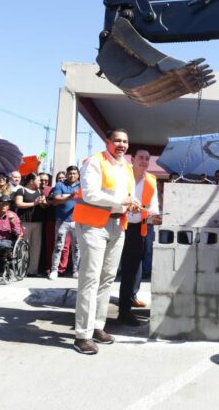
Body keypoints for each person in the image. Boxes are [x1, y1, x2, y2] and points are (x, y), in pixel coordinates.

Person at [72, 127, 140, 355]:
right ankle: (82, 335)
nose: (122, 145)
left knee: (107, 278)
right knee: (90, 278)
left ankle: (97, 326)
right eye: (117, 141)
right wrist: (122, 201)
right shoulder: (94, 161)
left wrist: (132, 203)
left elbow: (128, 195)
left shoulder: (127, 167)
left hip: (118, 225)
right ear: (107, 142)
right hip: (93, 225)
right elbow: (90, 194)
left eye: (125, 142)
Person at [118, 149, 160, 326]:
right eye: (141, 158)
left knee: (136, 266)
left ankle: (129, 302)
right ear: (132, 159)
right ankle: (124, 310)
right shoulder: (122, 175)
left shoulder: (151, 180)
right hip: (121, 224)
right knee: (126, 268)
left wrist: (155, 216)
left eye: (147, 159)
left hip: (141, 228)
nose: (144, 161)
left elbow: (153, 205)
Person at [48, 166, 81, 279]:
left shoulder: (81, 185)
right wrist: (70, 197)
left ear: (78, 175)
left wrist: (67, 197)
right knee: (58, 246)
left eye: (74, 173)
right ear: (66, 174)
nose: (72, 175)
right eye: (70, 173)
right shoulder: (60, 185)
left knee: (77, 247)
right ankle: (54, 270)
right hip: (62, 221)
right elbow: (56, 199)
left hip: (77, 221)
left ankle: (76, 270)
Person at [15, 173, 46, 275]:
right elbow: (18, 204)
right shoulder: (21, 190)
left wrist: (42, 203)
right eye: (38, 180)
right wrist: (34, 203)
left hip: (37, 222)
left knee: (36, 247)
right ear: (31, 181)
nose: (40, 182)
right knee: (24, 246)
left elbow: (43, 206)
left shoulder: (39, 191)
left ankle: (33, 270)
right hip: (25, 222)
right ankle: (22, 270)